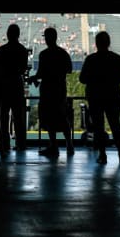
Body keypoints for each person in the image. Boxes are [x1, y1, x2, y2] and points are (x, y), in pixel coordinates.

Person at [79, 31, 120, 164]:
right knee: (115, 125)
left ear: (96, 44)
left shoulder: (90, 59)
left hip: (95, 97)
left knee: (98, 128)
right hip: (112, 96)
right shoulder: (116, 58)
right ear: (109, 43)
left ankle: (102, 154)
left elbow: (82, 79)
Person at [27, 27, 74, 158]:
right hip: (59, 90)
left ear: (47, 38)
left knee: (49, 118)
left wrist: (33, 78)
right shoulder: (63, 54)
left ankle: (53, 146)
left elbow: (40, 74)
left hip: (47, 90)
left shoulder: (44, 55)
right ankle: (69, 144)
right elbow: (69, 70)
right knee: (62, 117)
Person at [0, 23, 29, 152]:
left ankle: (4, 144)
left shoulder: (2, 50)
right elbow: (23, 69)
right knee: (18, 117)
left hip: (4, 86)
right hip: (16, 84)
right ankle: (20, 144)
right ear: (18, 35)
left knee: (3, 117)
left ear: (8, 34)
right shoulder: (22, 50)